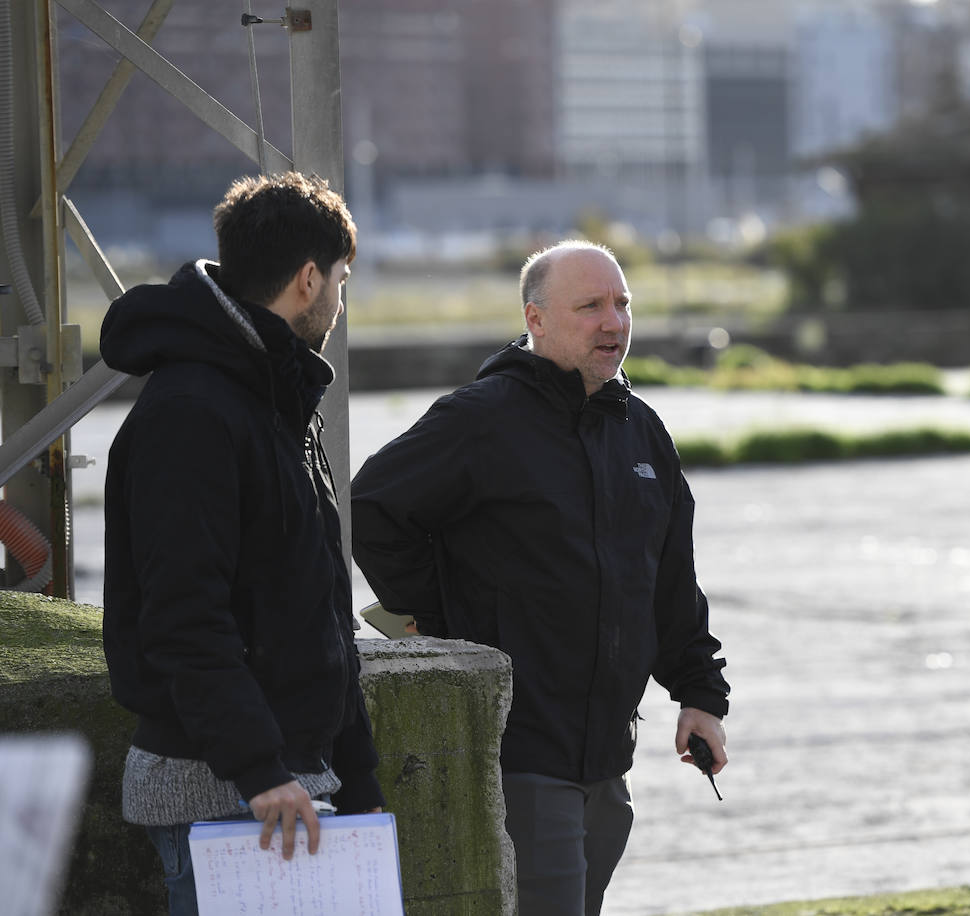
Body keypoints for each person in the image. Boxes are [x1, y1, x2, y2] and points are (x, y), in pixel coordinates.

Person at [350, 239, 730, 915]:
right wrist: (440, 622)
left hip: (609, 758)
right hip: (518, 746)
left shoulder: (641, 433)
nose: (613, 322)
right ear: (537, 320)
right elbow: (372, 507)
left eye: (622, 304)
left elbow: (670, 581)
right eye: (590, 306)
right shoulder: (482, 418)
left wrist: (700, 694)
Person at [100, 172, 384, 915]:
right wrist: (260, 771)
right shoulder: (194, 412)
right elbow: (183, 618)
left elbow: (312, 606)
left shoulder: (271, 396)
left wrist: (356, 778)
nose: (339, 305)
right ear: (309, 278)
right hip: (229, 794)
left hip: (283, 783)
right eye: (341, 283)